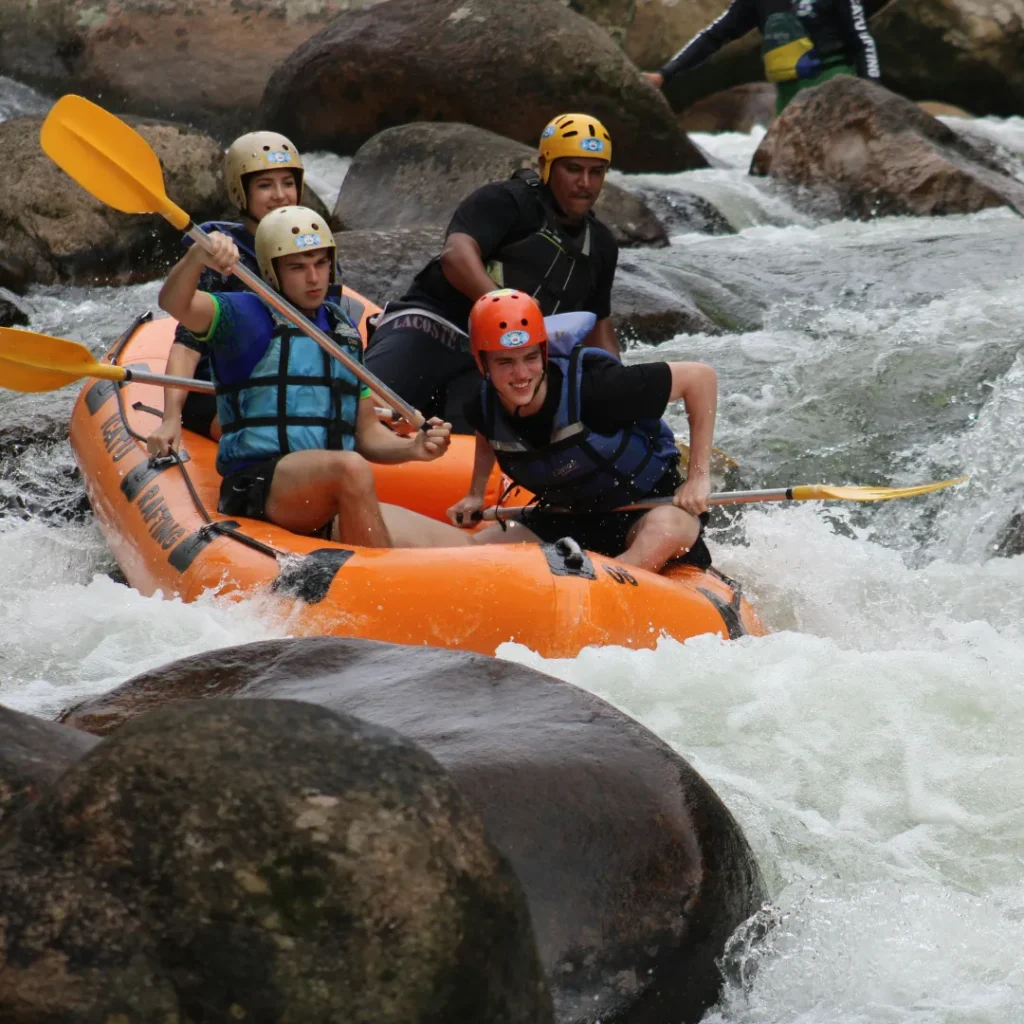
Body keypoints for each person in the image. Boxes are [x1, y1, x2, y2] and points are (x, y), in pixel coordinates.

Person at [158, 205, 470, 550]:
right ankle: (379, 586)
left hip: (326, 494)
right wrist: (195, 258)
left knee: (463, 547)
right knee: (349, 468)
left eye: (321, 263)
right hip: (259, 485)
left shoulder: (343, 332)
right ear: (271, 271)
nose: (313, 278)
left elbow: (366, 433)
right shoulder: (242, 314)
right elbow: (174, 302)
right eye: (298, 267)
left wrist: (412, 447)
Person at [365, 113, 622, 434]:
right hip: (433, 327)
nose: (585, 183)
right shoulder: (506, 200)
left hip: (496, 361)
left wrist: (618, 387)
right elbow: (456, 256)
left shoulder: (600, 245)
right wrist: (506, 308)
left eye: (596, 172)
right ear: (547, 165)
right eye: (573, 169)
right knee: (366, 413)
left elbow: (600, 327)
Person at [447, 290, 717, 574]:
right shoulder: (482, 402)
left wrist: (699, 477)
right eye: (505, 362)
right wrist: (475, 493)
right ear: (482, 363)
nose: (522, 374)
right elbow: (487, 430)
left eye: (530, 357)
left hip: (647, 507)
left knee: (664, 530)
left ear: (544, 352)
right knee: (473, 553)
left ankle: (607, 584)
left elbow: (700, 378)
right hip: (566, 516)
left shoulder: (597, 388)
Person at [148, 131, 305, 458]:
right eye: (265, 185)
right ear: (240, 191)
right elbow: (187, 343)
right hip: (217, 393)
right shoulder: (219, 252)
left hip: (284, 390)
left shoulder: (312, 248)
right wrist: (170, 417)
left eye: (287, 183)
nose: (280, 195)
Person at [643, 0, 880, 115]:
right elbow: (714, 36)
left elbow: (862, 41)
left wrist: (873, 94)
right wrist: (664, 74)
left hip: (836, 89)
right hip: (789, 100)